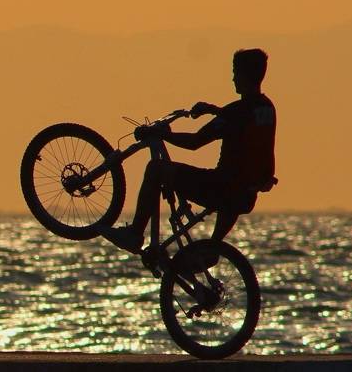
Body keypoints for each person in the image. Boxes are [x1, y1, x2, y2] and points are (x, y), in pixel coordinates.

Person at [108, 48, 276, 253]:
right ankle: (212, 249)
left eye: (235, 72)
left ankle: (134, 234)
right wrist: (213, 110)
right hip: (246, 193)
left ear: (244, 75)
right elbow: (243, 124)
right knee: (232, 195)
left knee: (156, 169)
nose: (233, 78)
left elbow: (195, 142)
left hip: (220, 187)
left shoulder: (236, 112)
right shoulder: (266, 107)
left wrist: (162, 134)